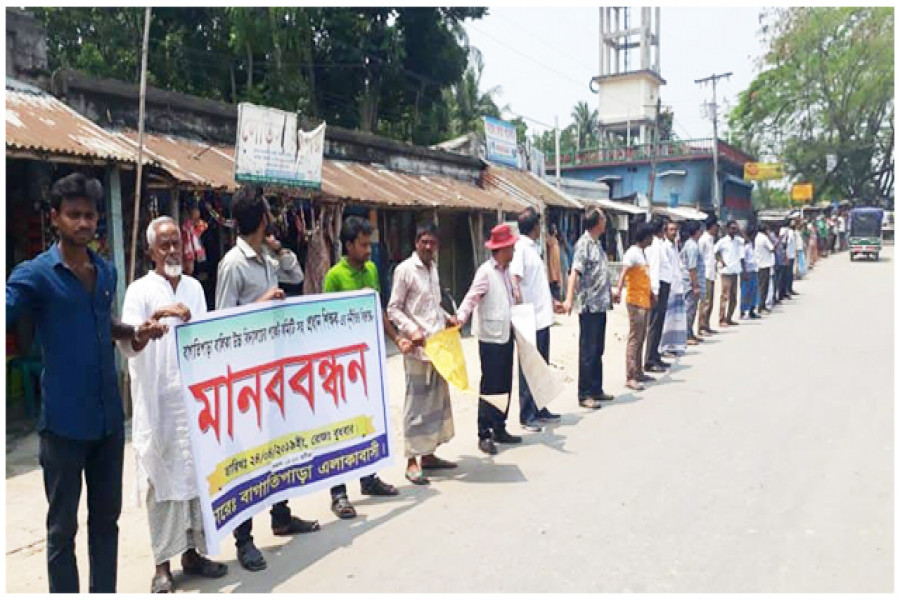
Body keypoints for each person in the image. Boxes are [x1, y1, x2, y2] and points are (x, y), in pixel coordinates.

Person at [6, 173, 168, 592]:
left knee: (106, 524)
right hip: (63, 426)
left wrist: (135, 332)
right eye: (74, 215)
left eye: (89, 215)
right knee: (62, 530)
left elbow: (103, 323)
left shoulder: (106, 271)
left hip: (109, 424)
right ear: (56, 218)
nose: (83, 223)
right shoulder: (36, 274)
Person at [118, 217, 228, 592]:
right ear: (151, 251)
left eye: (175, 243)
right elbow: (129, 340)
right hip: (159, 404)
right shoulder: (140, 290)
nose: (171, 251)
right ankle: (161, 565)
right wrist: (157, 319)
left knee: (196, 479)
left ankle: (193, 554)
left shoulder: (196, 287)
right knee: (161, 482)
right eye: (163, 244)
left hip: (194, 404)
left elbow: (209, 336)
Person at [215, 186, 319, 572]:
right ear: (260, 218)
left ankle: (281, 513)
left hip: (276, 366)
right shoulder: (232, 264)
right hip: (246, 374)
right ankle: (244, 539)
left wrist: (278, 249)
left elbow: (295, 273)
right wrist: (261, 304)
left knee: (279, 446)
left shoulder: (267, 259)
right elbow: (221, 321)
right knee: (247, 455)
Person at [322, 216, 404, 516]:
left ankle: (368, 478)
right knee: (341, 428)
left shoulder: (371, 270)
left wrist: (396, 338)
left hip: (368, 361)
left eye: (370, 244)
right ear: (348, 245)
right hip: (342, 367)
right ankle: (338, 492)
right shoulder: (334, 277)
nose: (369, 250)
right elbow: (325, 321)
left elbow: (378, 310)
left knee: (367, 422)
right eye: (363, 244)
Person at [386, 223, 459, 485]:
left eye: (432, 243)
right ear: (416, 242)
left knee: (435, 402)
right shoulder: (405, 270)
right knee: (415, 405)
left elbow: (433, 305)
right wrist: (411, 330)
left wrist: (447, 318)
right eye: (424, 242)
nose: (428, 247)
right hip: (417, 349)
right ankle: (412, 462)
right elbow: (393, 308)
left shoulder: (433, 269)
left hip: (437, 347)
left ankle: (428, 455)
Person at [456, 224, 524, 455]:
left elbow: (513, 299)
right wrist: (461, 318)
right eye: (511, 247)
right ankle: (484, 432)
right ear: (502, 249)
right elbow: (472, 297)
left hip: (506, 334)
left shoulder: (508, 272)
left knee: (505, 382)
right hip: (490, 337)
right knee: (490, 386)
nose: (514, 250)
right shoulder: (486, 271)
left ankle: (499, 426)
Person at [510, 208, 563, 431]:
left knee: (542, 365)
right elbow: (515, 278)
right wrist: (520, 306)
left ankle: (541, 407)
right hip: (528, 317)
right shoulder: (521, 248)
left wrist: (553, 301)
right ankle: (527, 414)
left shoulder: (533, 249)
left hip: (542, 316)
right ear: (535, 227)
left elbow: (538, 282)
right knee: (528, 367)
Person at [562, 209, 615, 408]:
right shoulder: (583, 245)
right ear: (597, 223)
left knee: (598, 349)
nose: (605, 222)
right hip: (589, 305)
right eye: (603, 219)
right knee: (588, 351)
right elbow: (574, 272)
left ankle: (596, 388)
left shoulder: (597, 244)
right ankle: (584, 394)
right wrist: (569, 299)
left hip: (601, 304)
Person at [614, 224, 655, 391]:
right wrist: (618, 290)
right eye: (650, 236)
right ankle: (630, 376)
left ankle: (638, 371)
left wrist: (651, 293)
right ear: (645, 237)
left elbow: (644, 276)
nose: (652, 239)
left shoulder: (642, 254)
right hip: (635, 301)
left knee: (641, 336)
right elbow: (624, 273)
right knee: (634, 338)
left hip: (644, 299)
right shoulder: (632, 253)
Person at [642, 216, 672, 372]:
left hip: (664, 284)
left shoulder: (660, 244)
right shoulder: (654, 245)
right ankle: (650, 359)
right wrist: (655, 290)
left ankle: (656, 354)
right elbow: (653, 269)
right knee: (654, 323)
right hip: (658, 286)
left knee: (659, 322)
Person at [659, 220, 688, 356]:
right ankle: (664, 347)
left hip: (678, 286)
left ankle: (674, 345)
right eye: (671, 230)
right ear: (665, 232)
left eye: (675, 229)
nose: (674, 232)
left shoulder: (675, 246)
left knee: (676, 319)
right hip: (669, 287)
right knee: (667, 319)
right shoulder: (664, 247)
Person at [714, 220, 744, 327]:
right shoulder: (723, 241)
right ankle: (721, 319)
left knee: (734, 296)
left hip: (735, 271)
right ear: (727, 229)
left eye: (735, 228)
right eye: (732, 228)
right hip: (726, 271)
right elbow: (715, 251)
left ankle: (729, 317)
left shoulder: (738, 240)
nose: (734, 230)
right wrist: (720, 260)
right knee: (724, 296)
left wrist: (740, 230)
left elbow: (747, 241)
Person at [680, 221, 705, 345]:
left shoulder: (692, 244)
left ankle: (690, 332)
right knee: (689, 309)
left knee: (692, 309)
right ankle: (686, 335)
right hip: (690, 283)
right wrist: (695, 285)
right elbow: (692, 268)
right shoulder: (692, 246)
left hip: (690, 282)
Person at [697, 219, 719, 336]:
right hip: (705, 274)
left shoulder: (711, 240)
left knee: (710, 301)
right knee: (705, 302)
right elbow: (700, 258)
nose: (717, 230)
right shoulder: (703, 240)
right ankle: (701, 326)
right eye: (716, 227)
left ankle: (707, 324)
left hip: (711, 274)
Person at [739, 227, 761, 320]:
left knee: (754, 291)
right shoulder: (746, 246)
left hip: (754, 270)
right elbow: (742, 259)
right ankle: (743, 311)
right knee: (745, 292)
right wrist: (744, 272)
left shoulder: (753, 245)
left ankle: (752, 310)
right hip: (747, 271)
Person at [754, 223, 775, 315]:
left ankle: (761, 305)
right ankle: (761, 306)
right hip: (764, 264)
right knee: (763, 287)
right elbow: (772, 248)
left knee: (762, 286)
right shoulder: (764, 238)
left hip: (760, 264)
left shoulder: (757, 237)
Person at [545, 222, 564, 301]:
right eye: (554, 229)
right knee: (553, 286)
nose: (556, 230)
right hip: (552, 269)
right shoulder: (549, 240)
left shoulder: (555, 240)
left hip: (556, 268)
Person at [780, 220, 798, 296]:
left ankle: (790, 289)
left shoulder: (792, 232)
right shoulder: (785, 231)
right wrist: (786, 255)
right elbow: (784, 244)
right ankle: (786, 290)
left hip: (791, 255)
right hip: (787, 255)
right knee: (786, 274)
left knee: (790, 274)